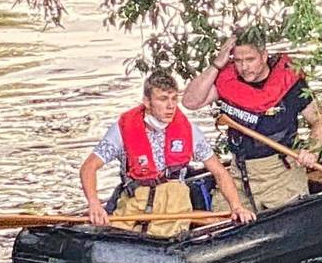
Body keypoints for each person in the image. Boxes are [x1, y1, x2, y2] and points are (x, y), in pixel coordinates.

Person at [80, 71, 252, 234]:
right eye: (163, 99)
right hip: (135, 204)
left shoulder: (189, 131)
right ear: (147, 102)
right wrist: (94, 204)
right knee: (114, 232)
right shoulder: (123, 129)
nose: (171, 106)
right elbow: (89, 167)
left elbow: (219, 171)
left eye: (174, 99)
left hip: (174, 208)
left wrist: (236, 206)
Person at [182, 29, 322, 213]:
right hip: (239, 173)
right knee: (219, 218)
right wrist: (217, 64)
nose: (244, 67)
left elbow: (320, 119)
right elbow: (190, 102)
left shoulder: (288, 83)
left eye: (250, 59)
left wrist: (312, 150)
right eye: (238, 60)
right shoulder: (229, 81)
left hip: (280, 173)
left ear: (264, 56)